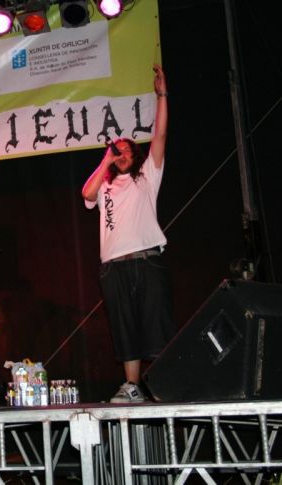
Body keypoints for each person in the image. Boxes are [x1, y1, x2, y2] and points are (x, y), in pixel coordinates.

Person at [81, 64, 174, 403]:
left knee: (156, 323)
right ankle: (132, 387)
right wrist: (106, 160)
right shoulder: (104, 186)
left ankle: (165, 385)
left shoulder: (147, 176)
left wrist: (162, 95)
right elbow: (87, 195)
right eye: (115, 150)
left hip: (147, 260)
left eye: (125, 151)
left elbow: (160, 137)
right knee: (124, 326)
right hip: (114, 266)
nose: (120, 154)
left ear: (135, 156)